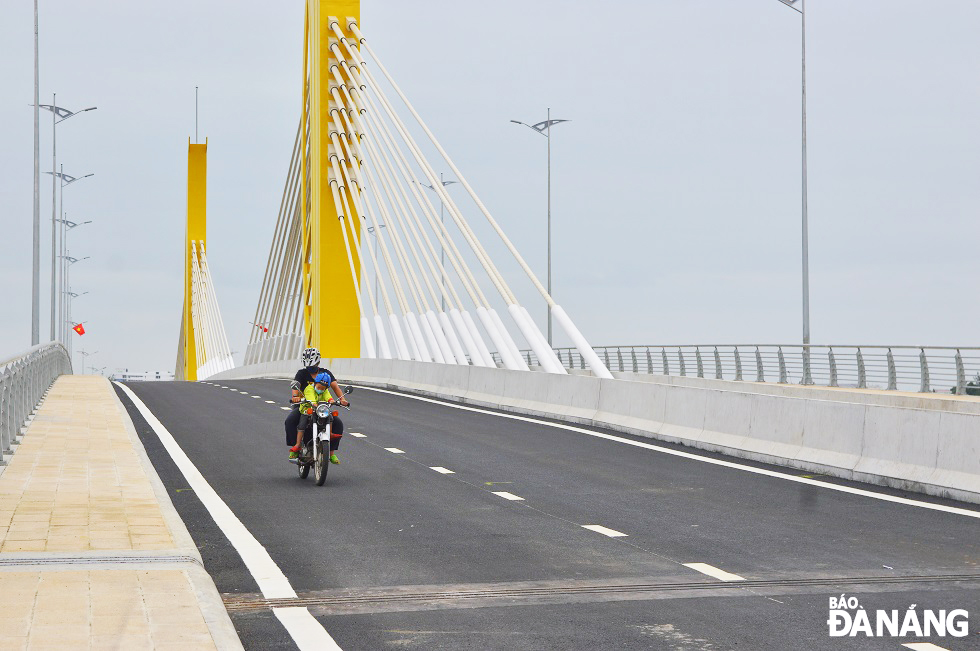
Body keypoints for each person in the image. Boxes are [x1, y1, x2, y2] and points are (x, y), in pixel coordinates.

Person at [285, 347, 349, 459]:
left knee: (338, 423)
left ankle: (331, 453)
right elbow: (296, 386)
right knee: (290, 421)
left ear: (318, 362)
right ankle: (296, 447)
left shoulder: (326, 373)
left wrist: (342, 400)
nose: (310, 368)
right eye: (308, 366)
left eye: (312, 366)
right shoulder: (301, 373)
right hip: (304, 405)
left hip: (322, 407)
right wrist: (295, 397)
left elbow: (334, 387)